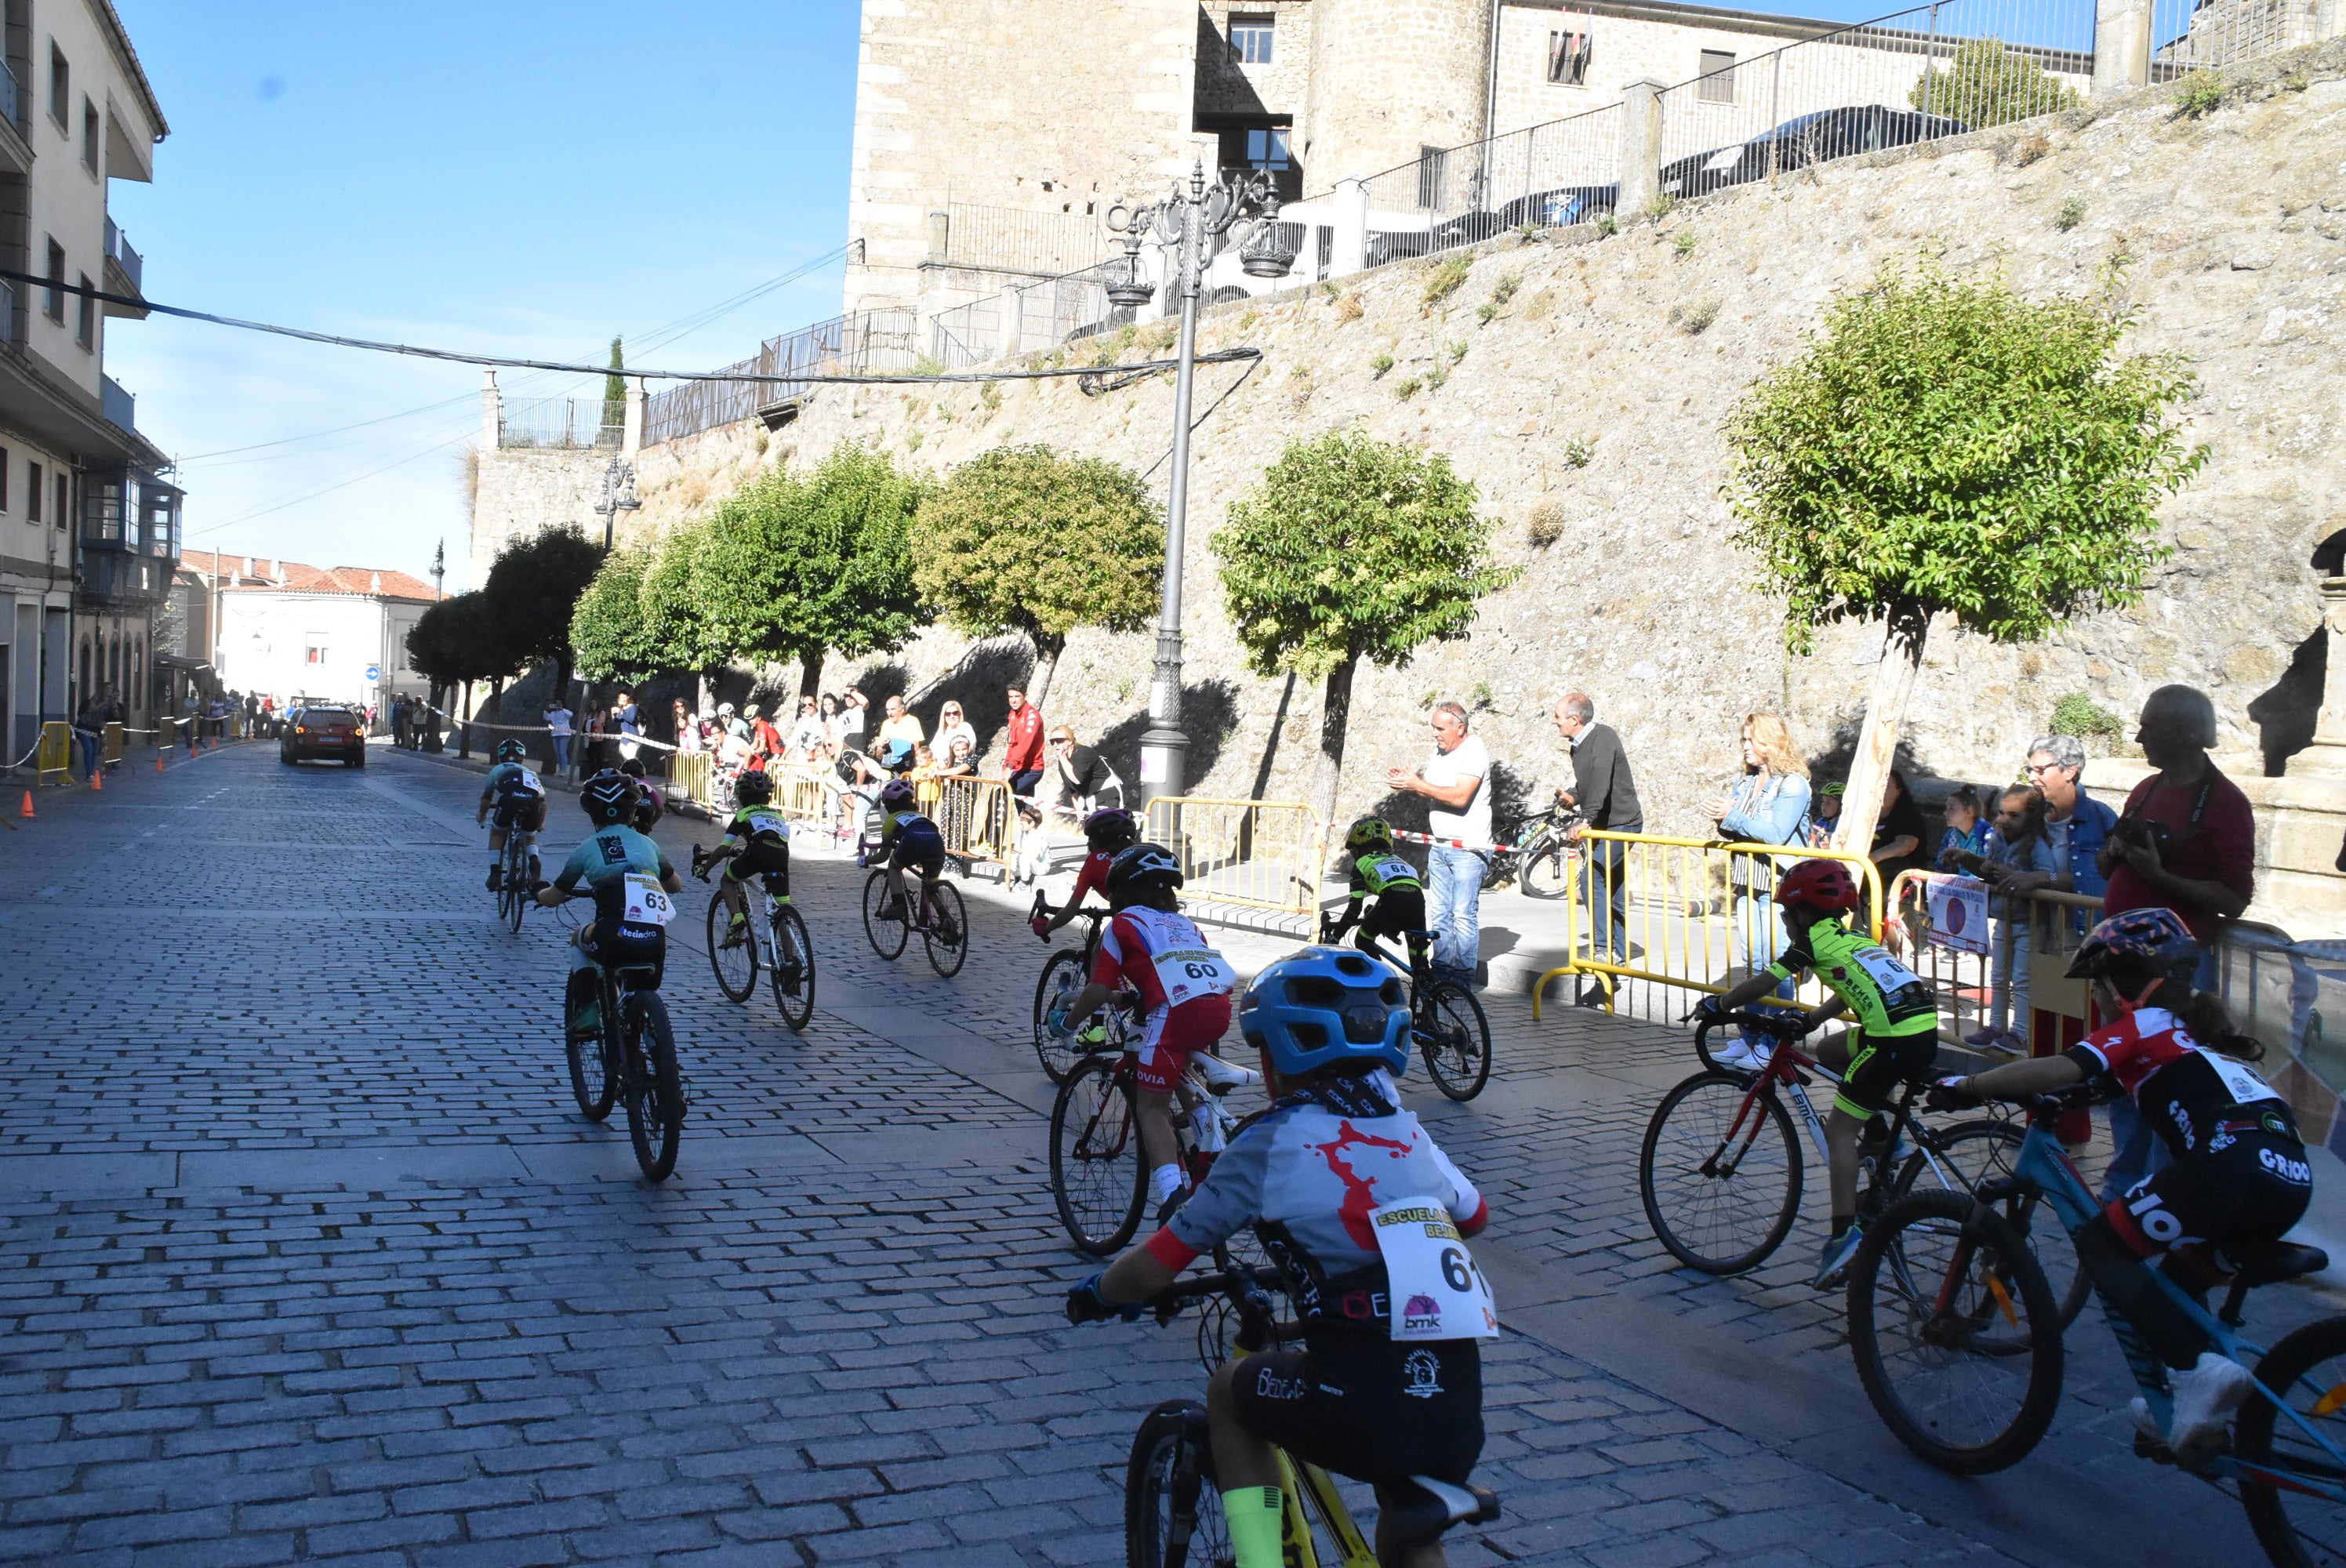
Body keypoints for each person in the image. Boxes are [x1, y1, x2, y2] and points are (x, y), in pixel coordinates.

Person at [1066, 946, 1492, 1568]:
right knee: (1411, 1531)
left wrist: (1100, 1293)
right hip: (1456, 1404)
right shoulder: (1406, 1128)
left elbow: (1162, 1261)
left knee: (1227, 1395)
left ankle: (1262, 1561)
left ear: (1275, 1058)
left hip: (1355, 1397)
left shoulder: (1268, 1143)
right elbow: (1474, 1217)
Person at [1928, 907, 2308, 1465]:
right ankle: (2187, 1407)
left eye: (2099, 991)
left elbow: (2060, 1068)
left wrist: (1970, 1084)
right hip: (2288, 1179)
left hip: (2226, 1168)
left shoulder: (2148, 1024)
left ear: (2122, 986)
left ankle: (2197, 1371)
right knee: (2179, 1276)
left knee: (2104, 1242)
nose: (2098, 1004)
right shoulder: (2202, 1041)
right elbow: (2117, 1083)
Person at [1697, 858, 1940, 1287]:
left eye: (1786, 915)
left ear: (1803, 914)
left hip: (1890, 1041)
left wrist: (1719, 1004)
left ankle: (1845, 1235)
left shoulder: (1810, 943)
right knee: (1829, 1049)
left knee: (1839, 1133)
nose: (1786, 923)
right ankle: (1885, 1137)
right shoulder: (1853, 938)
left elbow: (1761, 984)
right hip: (1918, 1028)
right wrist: (1809, 1023)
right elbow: (1847, 989)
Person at [2097, 685, 2257, 1198]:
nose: (2139, 736)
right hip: (2121, 964)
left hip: (2175, 971)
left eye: (2149, 726)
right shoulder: (2146, 789)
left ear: (2185, 734)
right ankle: (2125, 1186)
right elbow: (2108, 865)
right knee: (2126, 1075)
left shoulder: (2228, 804)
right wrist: (2118, 850)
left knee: (2174, 1081)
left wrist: (2158, 874)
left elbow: (2233, 898)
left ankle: (2174, 1191)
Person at [1048, 842, 1239, 1213]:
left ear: (1120, 891)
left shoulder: (1122, 925)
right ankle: (1208, 1147)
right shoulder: (1187, 925)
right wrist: (1134, 998)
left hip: (1173, 1013)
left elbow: (1100, 989)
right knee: (1176, 1067)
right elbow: (1169, 974)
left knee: (1150, 1106)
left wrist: (1067, 1023)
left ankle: (1172, 1195)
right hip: (1215, 1009)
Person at [535, 772, 685, 1039]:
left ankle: (587, 1011)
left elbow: (554, 897)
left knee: (577, 939)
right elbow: (676, 886)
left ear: (593, 816)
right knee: (642, 998)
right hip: (653, 938)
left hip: (612, 933)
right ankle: (654, 1050)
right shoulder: (649, 844)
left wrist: (538, 893)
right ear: (632, 815)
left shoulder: (586, 848)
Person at [1701, 713, 1813, 1055]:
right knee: (1754, 962)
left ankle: (1775, 1044)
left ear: (1771, 741)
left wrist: (1733, 815)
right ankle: (1749, 1037)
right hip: (1747, 881)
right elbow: (1740, 830)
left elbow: (1776, 834)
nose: (1745, 747)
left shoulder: (1793, 784)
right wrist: (1722, 818)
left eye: (1752, 740)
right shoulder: (1745, 781)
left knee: (1778, 964)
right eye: (1744, 740)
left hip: (1780, 884)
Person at [1385, 701, 1493, 991]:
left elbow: (1459, 797)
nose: (1435, 734)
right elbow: (1432, 789)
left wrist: (1419, 785)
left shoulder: (1474, 751)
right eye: (1433, 727)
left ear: (1460, 727)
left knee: (1462, 913)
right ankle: (1441, 968)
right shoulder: (1440, 752)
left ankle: (1462, 977)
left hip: (1468, 849)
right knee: (1441, 913)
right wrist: (1408, 781)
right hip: (1441, 845)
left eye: (1440, 728)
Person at [1552, 692, 1643, 1005]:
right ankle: (1617, 953)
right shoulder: (1578, 747)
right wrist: (1573, 798)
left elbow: (1603, 781)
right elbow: (1591, 784)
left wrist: (1586, 818)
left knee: (1592, 880)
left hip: (1622, 823)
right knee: (1612, 889)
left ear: (1574, 720)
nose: (1555, 721)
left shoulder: (1603, 737)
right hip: (1604, 825)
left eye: (1558, 716)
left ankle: (1604, 949)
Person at [1967, 786, 2059, 1056]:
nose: (2005, 820)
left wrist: (2014, 875)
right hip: (2004, 917)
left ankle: (2020, 1031)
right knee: (1998, 976)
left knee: (2021, 978)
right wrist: (1983, 867)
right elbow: (1993, 872)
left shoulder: (2036, 845)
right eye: (2002, 813)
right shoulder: (1997, 840)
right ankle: (1995, 1026)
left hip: (2029, 922)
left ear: (2030, 818)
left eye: (2014, 815)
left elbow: (2047, 875)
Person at [696, 768, 794, 954]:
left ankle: (737, 917)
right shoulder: (778, 815)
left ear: (741, 799)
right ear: (769, 798)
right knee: (783, 912)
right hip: (781, 855)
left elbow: (724, 848)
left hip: (757, 852)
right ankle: (791, 964)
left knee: (727, 880)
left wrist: (705, 869)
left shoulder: (743, 815)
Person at [1323, 817, 1430, 968]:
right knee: (1419, 957)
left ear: (1356, 849)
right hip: (1417, 900)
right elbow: (1401, 894)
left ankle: (1383, 979)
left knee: (1363, 940)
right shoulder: (1399, 860)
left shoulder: (1361, 864)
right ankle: (1434, 989)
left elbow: (1354, 909)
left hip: (1392, 899)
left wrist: (1335, 937)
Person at [1033, 807, 1141, 945]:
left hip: (1132, 920)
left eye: (1090, 837)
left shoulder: (1094, 861)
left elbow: (1071, 910)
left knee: (1099, 952)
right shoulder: (1137, 853)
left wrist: (1046, 928)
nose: (1088, 843)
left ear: (1099, 838)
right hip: (1164, 918)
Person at [866, 778, 952, 935]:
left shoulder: (891, 820)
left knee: (893, 867)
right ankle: (945, 917)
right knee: (930, 884)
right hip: (936, 844)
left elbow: (883, 856)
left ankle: (898, 905)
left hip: (912, 843)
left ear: (888, 804)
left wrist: (866, 860)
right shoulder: (922, 816)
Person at [475, 739, 548, 891]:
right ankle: (534, 861)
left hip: (509, 800)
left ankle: (495, 873)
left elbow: (487, 798)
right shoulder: (530, 772)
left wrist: (481, 816)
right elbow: (542, 803)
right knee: (530, 837)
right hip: (531, 802)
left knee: (497, 833)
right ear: (522, 757)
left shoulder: (497, 770)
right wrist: (541, 823)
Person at [1867, 769, 1929, 884]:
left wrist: (1873, 858)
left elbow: (1906, 845)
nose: (1880, 791)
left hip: (1901, 876)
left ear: (1898, 791)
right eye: (1877, 786)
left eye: (1886, 787)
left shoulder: (1908, 813)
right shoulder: (1867, 814)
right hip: (1870, 871)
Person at [1004, 684, 1045, 797]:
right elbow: (1013, 744)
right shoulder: (1012, 714)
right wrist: (1005, 766)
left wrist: (1010, 766)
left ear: (1025, 696)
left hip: (1032, 769)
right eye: (1010, 697)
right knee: (1025, 806)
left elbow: (1024, 745)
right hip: (1018, 767)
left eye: (1017, 696)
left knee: (1003, 795)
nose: (1013, 700)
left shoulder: (1032, 716)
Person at [1934, 785, 1988, 870]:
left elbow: (1990, 867)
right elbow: (1940, 866)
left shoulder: (1986, 835)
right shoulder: (1951, 835)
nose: (1945, 813)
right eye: (1947, 808)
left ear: (1969, 811)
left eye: (1951, 808)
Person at [617, 756, 664, 833]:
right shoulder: (647, 784)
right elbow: (660, 808)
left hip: (629, 806)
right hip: (647, 808)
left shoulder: (623, 783)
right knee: (644, 833)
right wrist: (650, 825)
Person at [932, 700, 976, 764]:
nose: (951, 716)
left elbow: (970, 748)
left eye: (955, 713)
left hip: (961, 767)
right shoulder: (941, 730)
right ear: (944, 716)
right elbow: (932, 749)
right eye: (948, 714)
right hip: (943, 768)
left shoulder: (966, 727)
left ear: (960, 714)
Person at [1807, 781, 1844, 848]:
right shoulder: (1822, 822)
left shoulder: (1842, 824)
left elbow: (1825, 846)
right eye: (1823, 801)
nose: (1823, 805)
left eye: (1829, 802)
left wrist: (1821, 834)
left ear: (1841, 805)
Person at [544, 699, 574, 775]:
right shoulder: (553, 713)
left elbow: (570, 715)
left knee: (562, 752)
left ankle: (564, 769)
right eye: (556, 704)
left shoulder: (565, 712)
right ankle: (560, 769)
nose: (557, 705)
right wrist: (546, 710)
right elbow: (547, 718)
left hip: (564, 733)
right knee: (557, 753)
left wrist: (562, 709)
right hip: (555, 734)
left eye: (559, 704)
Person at [614, 691, 641, 763]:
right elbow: (617, 720)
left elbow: (631, 719)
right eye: (621, 698)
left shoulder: (633, 707)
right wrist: (613, 714)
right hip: (624, 739)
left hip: (632, 738)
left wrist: (621, 712)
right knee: (624, 760)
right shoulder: (621, 708)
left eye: (624, 697)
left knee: (631, 760)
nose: (623, 700)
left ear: (628, 698)